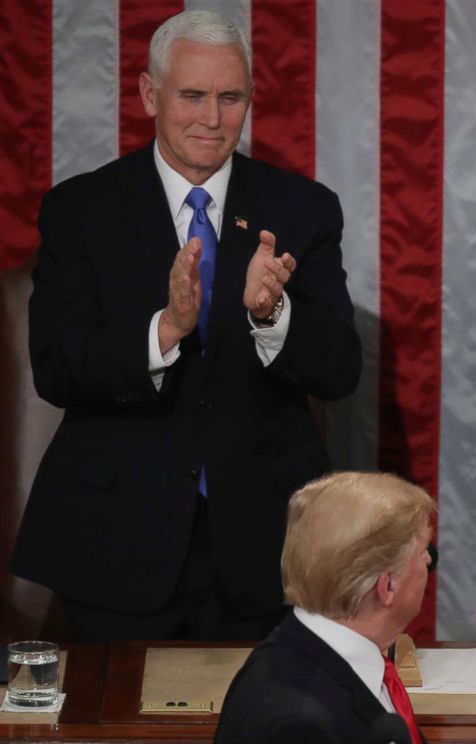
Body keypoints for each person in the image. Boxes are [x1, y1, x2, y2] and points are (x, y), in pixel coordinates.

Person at [10, 10, 362, 641]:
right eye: (192, 95)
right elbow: (56, 366)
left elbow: (340, 369)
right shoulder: (81, 210)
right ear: (150, 94)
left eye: (230, 98)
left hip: (266, 540)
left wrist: (274, 316)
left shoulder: (303, 209)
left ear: (250, 100)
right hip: (116, 540)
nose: (211, 117)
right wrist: (165, 330)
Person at [214, 471, 435, 744]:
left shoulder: (305, 650)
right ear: (387, 587)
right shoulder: (299, 726)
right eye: (424, 549)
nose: (428, 560)